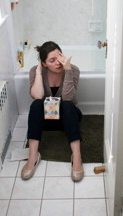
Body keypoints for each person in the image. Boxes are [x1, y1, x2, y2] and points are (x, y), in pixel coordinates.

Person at [21, 41, 84, 182]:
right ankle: (33, 156)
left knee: (67, 104)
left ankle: (77, 156)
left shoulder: (73, 70)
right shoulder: (35, 71)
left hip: (68, 120)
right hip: (46, 122)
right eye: (52, 60)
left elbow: (68, 97)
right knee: (36, 105)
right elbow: (37, 96)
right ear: (44, 63)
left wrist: (68, 71)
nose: (58, 63)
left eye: (59, 57)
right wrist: (38, 72)